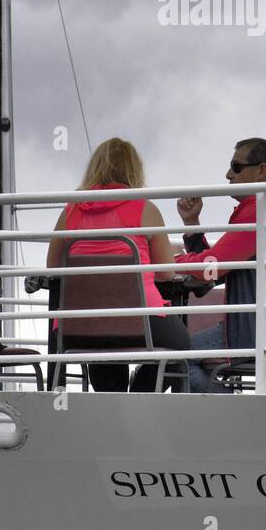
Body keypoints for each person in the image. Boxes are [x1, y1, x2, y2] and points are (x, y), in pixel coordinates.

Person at [175, 137, 266, 393]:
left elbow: (212, 268)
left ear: (262, 171)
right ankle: (226, 420)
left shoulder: (264, 211)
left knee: (173, 361)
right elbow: (213, 275)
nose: (228, 174)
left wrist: (163, 261)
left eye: (236, 167)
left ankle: (229, 421)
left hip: (264, 333)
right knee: (173, 360)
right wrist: (192, 223)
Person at [48, 138, 189, 392]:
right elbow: (168, 272)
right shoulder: (145, 208)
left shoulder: (70, 209)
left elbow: (53, 267)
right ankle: (140, 395)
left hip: (82, 321)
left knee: (104, 343)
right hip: (137, 317)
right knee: (182, 345)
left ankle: (112, 406)